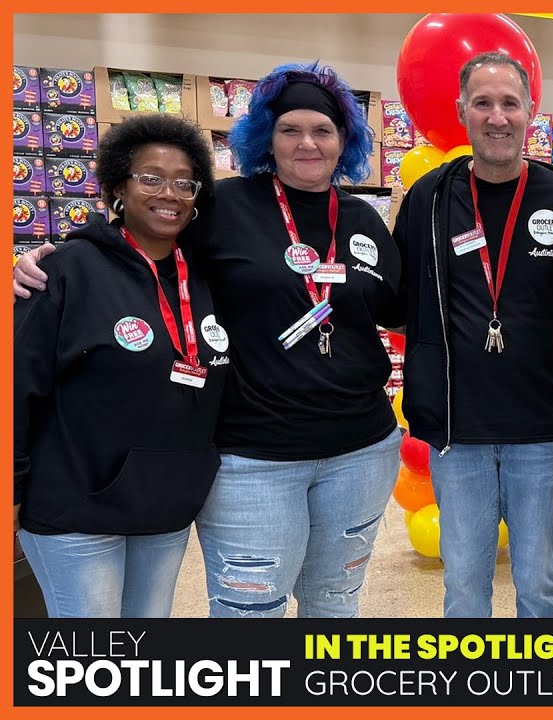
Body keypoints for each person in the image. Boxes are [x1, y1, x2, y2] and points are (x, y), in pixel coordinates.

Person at [15, 62, 405, 618]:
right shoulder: (222, 207)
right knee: (250, 612)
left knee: (336, 599)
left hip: (362, 450)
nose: (307, 143)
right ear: (266, 137)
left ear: (347, 140)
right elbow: (136, 242)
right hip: (254, 454)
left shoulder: (365, 221)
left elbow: (396, 309)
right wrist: (35, 261)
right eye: (290, 128)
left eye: (323, 130)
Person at [13, 115, 225, 617]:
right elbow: (18, 385)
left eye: (184, 182)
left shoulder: (204, 276)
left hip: (166, 507)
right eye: (150, 178)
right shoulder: (65, 269)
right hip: (76, 507)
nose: (168, 193)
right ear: (117, 188)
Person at [394, 52, 553, 618]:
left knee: (540, 588)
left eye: (510, 103)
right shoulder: (429, 199)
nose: (498, 117)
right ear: (461, 113)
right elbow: (399, 301)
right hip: (458, 434)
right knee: (465, 590)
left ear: (531, 113)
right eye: (483, 103)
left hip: (543, 432)